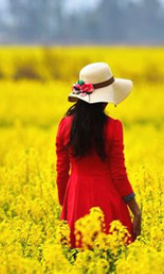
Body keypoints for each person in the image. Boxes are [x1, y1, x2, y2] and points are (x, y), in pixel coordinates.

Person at [55, 61, 142, 248]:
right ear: (105, 98)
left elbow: (62, 172)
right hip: (108, 202)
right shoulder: (113, 127)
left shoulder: (64, 126)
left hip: (76, 197)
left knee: (77, 256)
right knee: (113, 257)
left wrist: (67, 206)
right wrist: (136, 210)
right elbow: (119, 175)